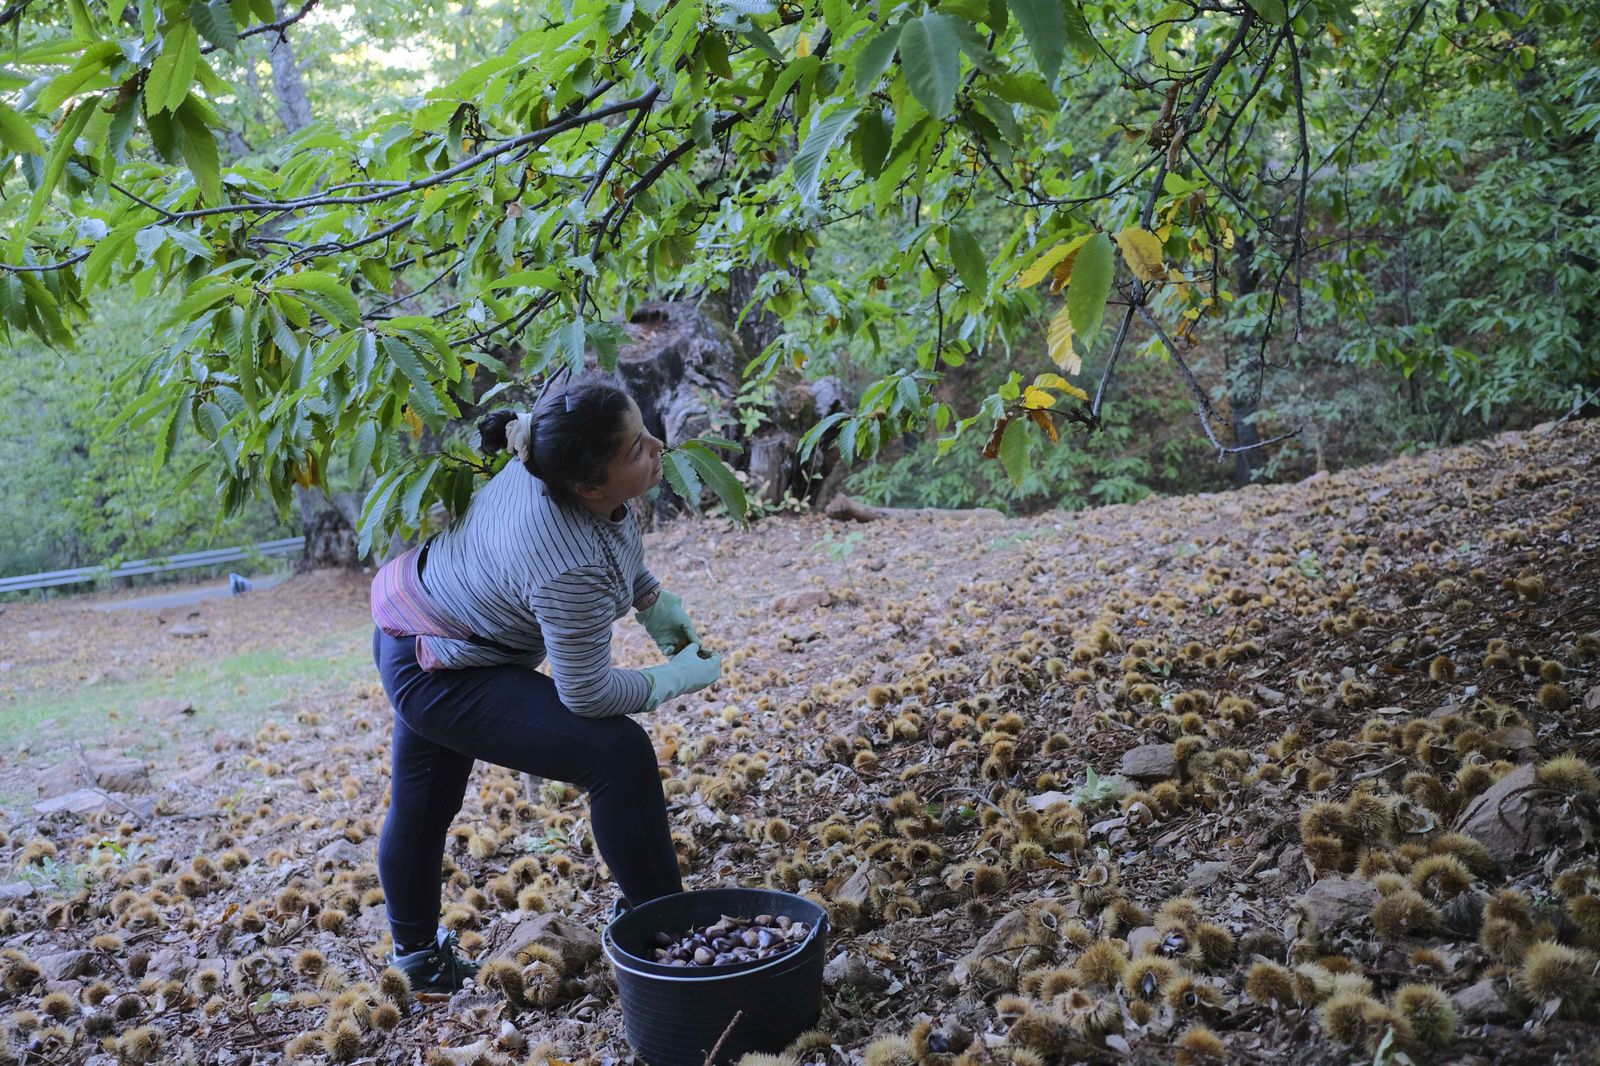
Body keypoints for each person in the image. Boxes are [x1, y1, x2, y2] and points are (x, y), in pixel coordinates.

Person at [368, 374, 722, 992]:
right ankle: (664, 932)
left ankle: (419, 957)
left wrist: (652, 601)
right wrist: (673, 678)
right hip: (436, 662)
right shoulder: (567, 562)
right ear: (588, 484)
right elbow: (586, 694)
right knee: (618, 755)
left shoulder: (547, 452)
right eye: (638, 448)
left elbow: (616, 533)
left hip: (426, 614)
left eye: (645, 432)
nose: (658, 446)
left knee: (428, 798)